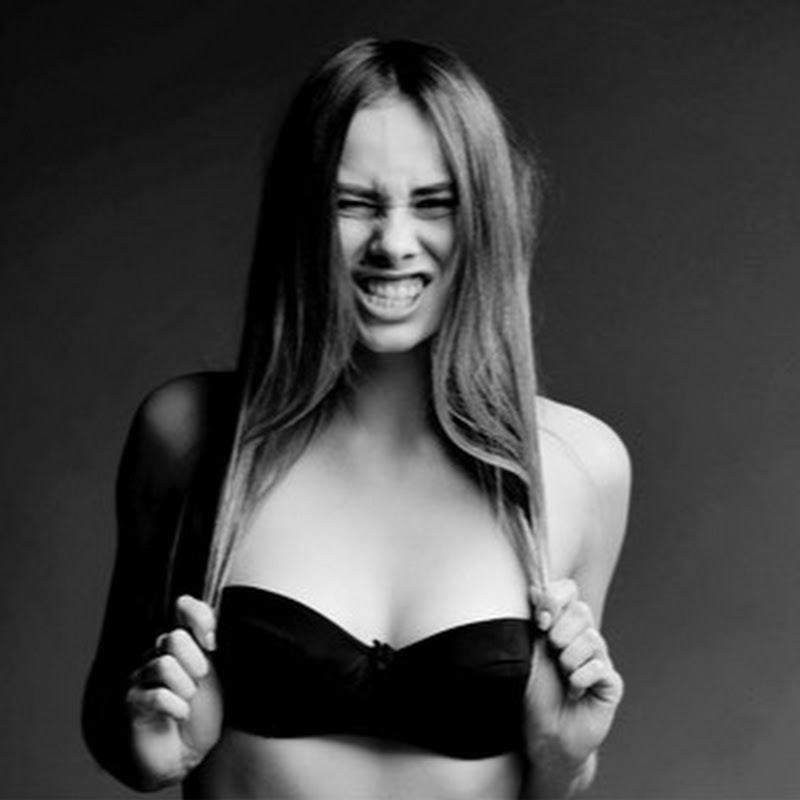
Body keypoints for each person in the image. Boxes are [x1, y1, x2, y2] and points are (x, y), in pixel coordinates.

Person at [82, 38, 630, 799]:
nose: (393, 244)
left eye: (434, 203)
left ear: (484, 218)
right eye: (353, 203)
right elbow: (113, 717)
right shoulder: (190, 434)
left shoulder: (578, 466)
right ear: (302, 214)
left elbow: (551, 773)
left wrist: (567, 757)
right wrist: (150, 749)